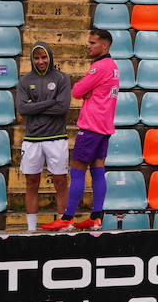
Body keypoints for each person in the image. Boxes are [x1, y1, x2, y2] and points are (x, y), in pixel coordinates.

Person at [42, 29, 119, 232]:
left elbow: (76, 91)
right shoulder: (113, 66)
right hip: (104, 127)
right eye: (89, 42)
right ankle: (96, 217)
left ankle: (67, 219)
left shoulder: (99, 67)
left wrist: (87, 92)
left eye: (93, 43)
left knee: (77, 170)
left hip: (91, 126)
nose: (89, 45)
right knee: (98, 169)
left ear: (105, 46)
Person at [15, 42, 71, 232]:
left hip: (57, 138)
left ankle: (63, 226)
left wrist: (35, 106)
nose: (40, 61)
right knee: (31, 183)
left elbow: (62, 108)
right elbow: (23, 109)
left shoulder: (62, 78)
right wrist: (50, 102)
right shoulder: (24, 81)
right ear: (32, 59)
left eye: (44, 57)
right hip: (32, 140)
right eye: (37, 58)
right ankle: (31, 229)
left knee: (61, 181)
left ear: (50, 57)